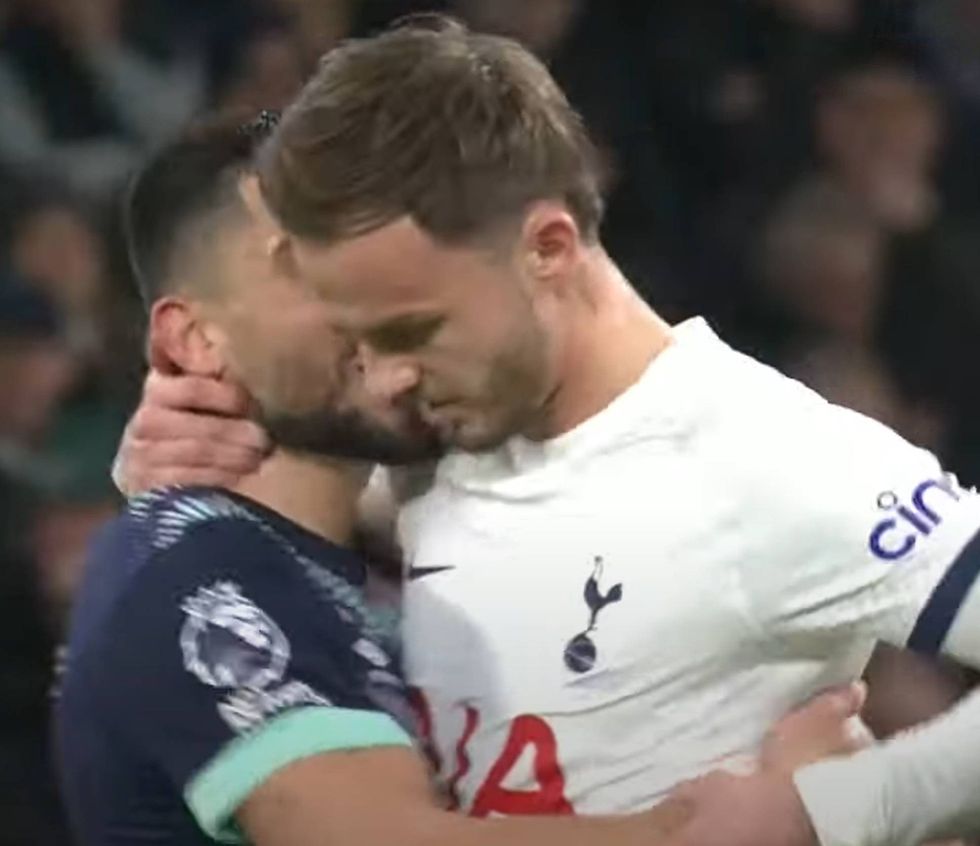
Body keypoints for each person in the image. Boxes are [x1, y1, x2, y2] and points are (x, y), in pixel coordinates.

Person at [115, 17, 980, 846]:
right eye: (359, 341)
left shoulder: (764, 458)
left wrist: (838, 811)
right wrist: (189, 457)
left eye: (412, 331)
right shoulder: (443, 441)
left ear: (549, 249)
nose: (383, 379)